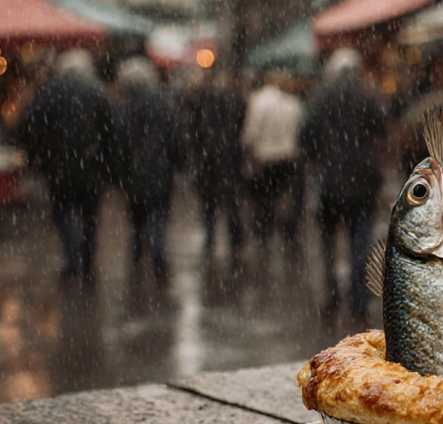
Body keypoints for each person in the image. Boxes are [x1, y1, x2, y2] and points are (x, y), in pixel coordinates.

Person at [299, 48, 386, 323]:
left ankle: (332, 294)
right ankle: (358, 300)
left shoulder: (322, 96)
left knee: (327, 245)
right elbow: (383, 131)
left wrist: (320, 157)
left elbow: (304, 136)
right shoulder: (369, 94)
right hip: (363, 182)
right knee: (360, 243)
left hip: (329, 183)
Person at [14, 49, 111, 281]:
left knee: (63, 212)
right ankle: (87, 262)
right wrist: (109, 165)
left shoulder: (51, 92)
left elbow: (28, 126)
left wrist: (37, 156)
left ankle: (72, 256)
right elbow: (110, 132)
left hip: (58, 167)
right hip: (91, 168)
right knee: (90, 217)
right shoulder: (97, 92)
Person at [111, 57, 181, 278]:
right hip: (160, 169)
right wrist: (177, 163)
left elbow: (117, 142)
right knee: (159, 212)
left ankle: (137, 253)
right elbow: (175, 137)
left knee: (136, 215)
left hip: (133, 172)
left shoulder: (123, 106)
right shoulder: (163, 102)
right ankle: (158, 249)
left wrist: (118, 172)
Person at [242, 71, 303, 249]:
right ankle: (285, 228)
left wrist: (249, 148)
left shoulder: (257, 101)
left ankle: (264, 231)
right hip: (286, 155)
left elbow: (250, 132)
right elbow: (298, 131)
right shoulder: (292, 103)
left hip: (264, 156)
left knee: (264, 196)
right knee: (281, 192)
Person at [190, 70, 247, 258]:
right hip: (227, 157)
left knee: (209, 202)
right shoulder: (235, 102)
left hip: (210, 158)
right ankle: (234, 236)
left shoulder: (202, 103)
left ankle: (211, 237)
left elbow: (194, 131)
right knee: (229, 200)